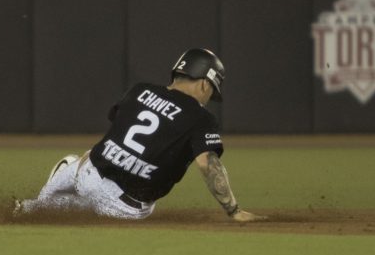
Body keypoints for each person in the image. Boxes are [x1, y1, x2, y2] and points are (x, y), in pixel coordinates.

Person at [15, 48, 266, 222]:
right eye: (212, 89)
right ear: (204, 83)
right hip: (121, 206)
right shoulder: (201, 117)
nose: (210, 96)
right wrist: (233, 210)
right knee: (81, 210)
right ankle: (37, 207)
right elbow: (208, 165)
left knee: (81, 159)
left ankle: (35, 204)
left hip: (87, 171)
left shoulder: (140, 89)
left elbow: (118, 124)